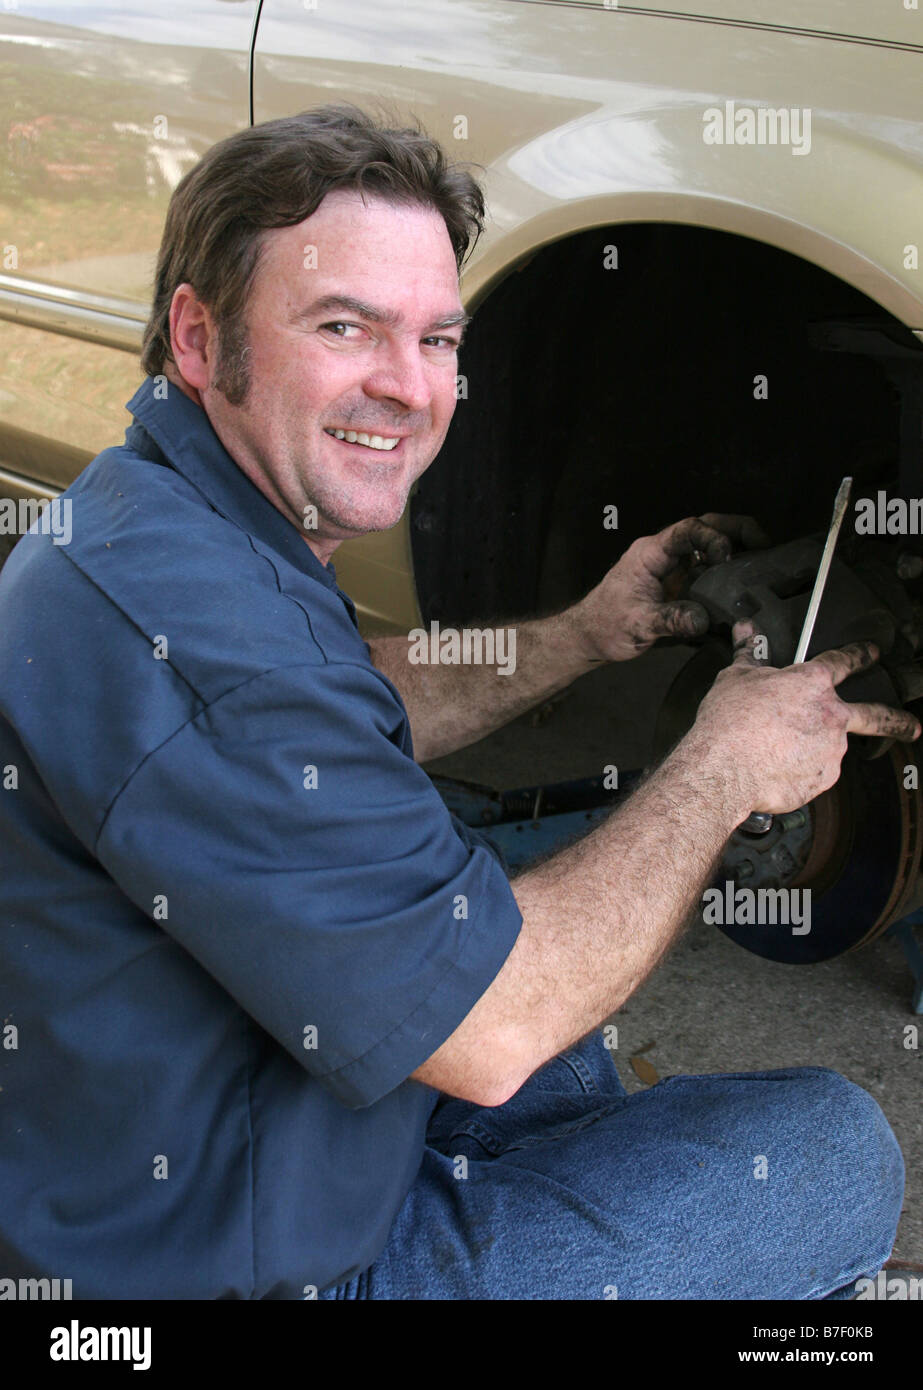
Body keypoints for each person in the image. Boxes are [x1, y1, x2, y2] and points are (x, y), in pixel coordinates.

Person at [0, 104, 916, 1301]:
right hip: (230, 1276)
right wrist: (721, 768)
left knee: (544, 994)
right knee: (825, 1154)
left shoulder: (153, 519)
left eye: (437, 339)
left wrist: (585, 634)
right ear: (195, 332)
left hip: (181, 1143)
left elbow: (336, 707)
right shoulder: (209, 655)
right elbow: (488, 1032)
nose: (407, 387)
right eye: (345, 327)